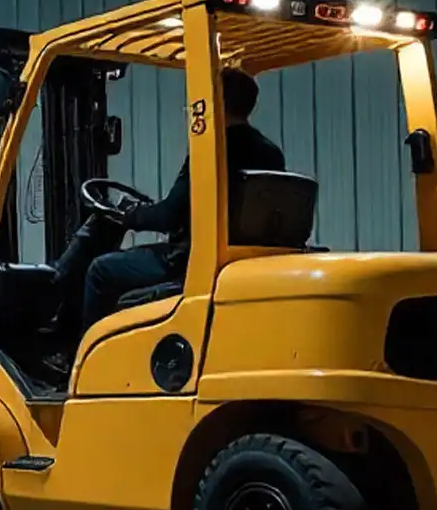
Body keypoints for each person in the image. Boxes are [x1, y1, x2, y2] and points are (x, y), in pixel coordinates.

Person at [77, 67, 285, 336]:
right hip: (237, 256)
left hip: (191, 260)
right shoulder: (270, 153)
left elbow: (170, 215)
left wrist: (132, 215)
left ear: (214, 100)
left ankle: (83, 359)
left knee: (99, 271)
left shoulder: (213, 149)